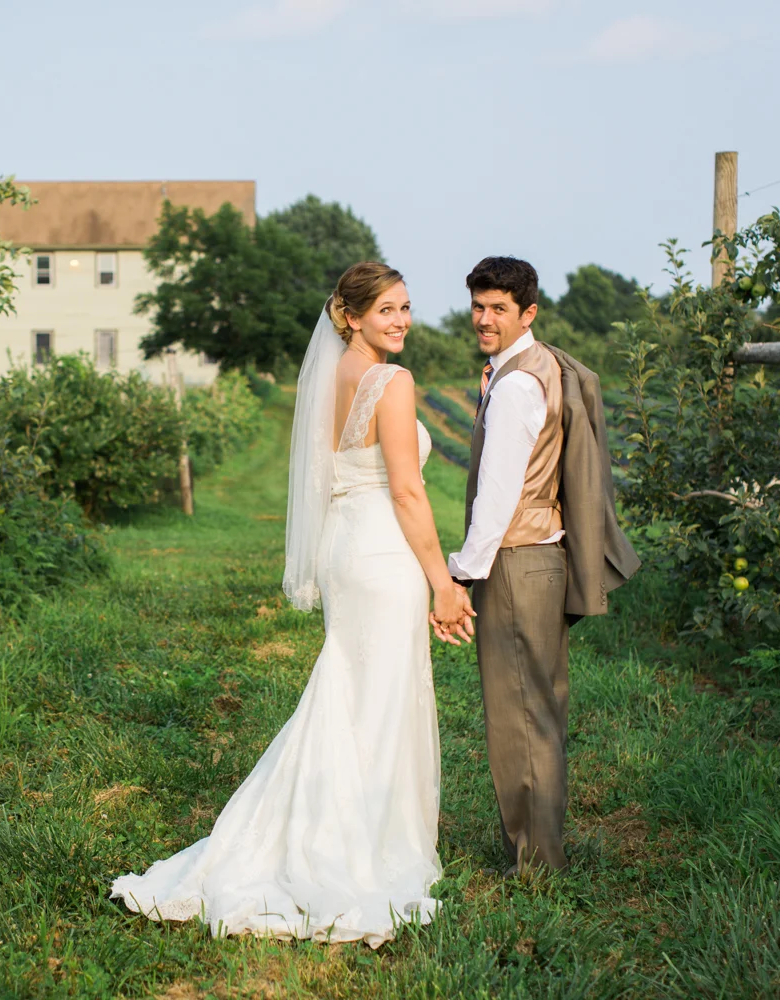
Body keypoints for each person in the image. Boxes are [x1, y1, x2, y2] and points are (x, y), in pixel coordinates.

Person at [110, 262, 470, 947]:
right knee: (381, 698)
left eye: (406, 308)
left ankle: (325, 827)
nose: (402, 321)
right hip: (382, 554)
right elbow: (407, 494)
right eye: (388, 310)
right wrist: (444, 582)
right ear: (352, 317)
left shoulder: (325, 380)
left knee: (351, 691)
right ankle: (362, 846)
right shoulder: (391, 383)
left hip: (344, 550)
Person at [437, 256, 639, 877]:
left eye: (499, 309)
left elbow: (497, 498)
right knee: (541, 714)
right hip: (544, 559)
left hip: (516, 564)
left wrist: (461, 572)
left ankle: (535, 868)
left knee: (518, 718)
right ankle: (541, 855)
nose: (484, 320)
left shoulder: (519, 384)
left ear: (528, 312)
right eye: (478, 306)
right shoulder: (543, 364)